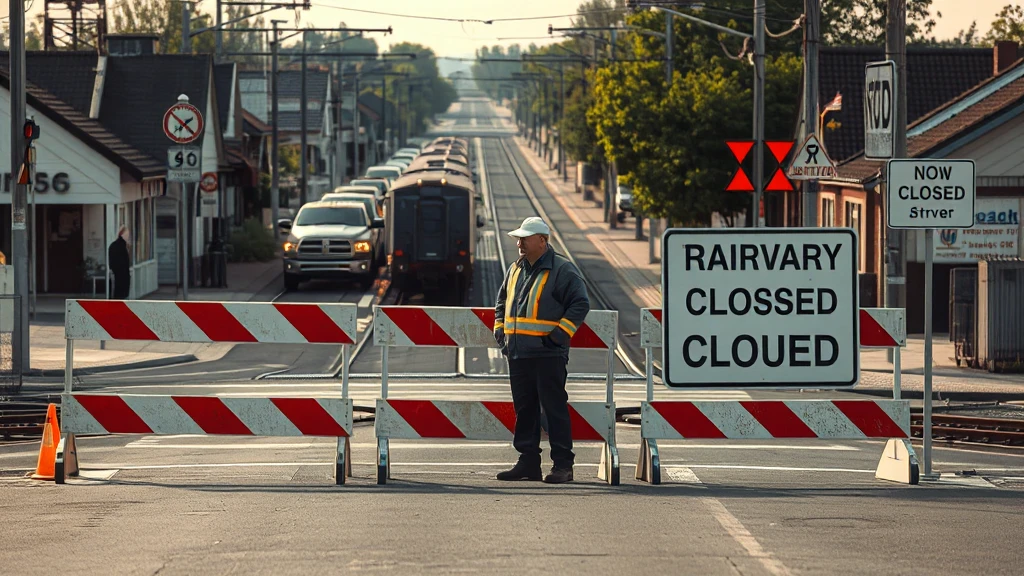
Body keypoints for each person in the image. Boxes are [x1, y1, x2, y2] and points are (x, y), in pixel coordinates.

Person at [493, 216, 590, 484]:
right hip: (518, 353)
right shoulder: (516, 269)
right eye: (518, 238)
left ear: (542, 241)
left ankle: (562, 465)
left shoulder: (562, 270)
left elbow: (580, 304)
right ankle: (528, 463)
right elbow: (502, 301)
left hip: (548, 355)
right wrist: (500, 331)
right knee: (525, 411)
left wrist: (557, 337)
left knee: (553, 409)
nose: (519, 243)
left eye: (524, 238)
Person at [108, 226, 131, 299]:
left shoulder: (116, 245)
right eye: (127, 235)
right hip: (121, 275)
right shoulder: (121, 246)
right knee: (120, 295)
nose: (128, 237)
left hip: (118, 274)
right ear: (122, 235)